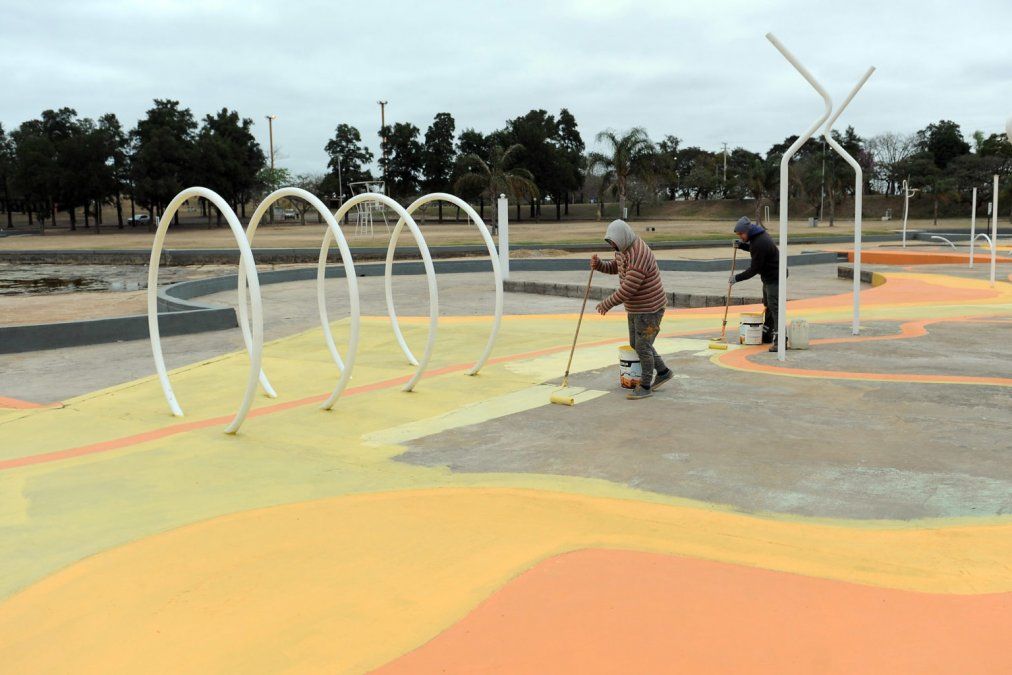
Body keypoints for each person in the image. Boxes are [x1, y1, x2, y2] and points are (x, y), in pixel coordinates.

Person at [591, 219, 673, 399]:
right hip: (636, 307)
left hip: (650, 308)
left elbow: (629, 288)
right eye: (610, 243)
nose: (612, 246)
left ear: (622, 237)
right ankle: (663, 371)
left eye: (613, 242)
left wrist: (607, 303)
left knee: (643, 346)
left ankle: (645, 386)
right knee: (637, 344)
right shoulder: (622, 249)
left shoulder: (639, 253)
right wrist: (599, 266)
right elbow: (617, 267)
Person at [730, 216, 782, 352]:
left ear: (748, 230)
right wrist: (742, 246)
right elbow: (754, 249)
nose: (741, 237)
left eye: (741, 234)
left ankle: (781, 339)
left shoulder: (760, 241)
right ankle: (768, 333)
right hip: (769, 277)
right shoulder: (757, 237)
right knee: (768, 304)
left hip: (775, 277)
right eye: (738, 235)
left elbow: (754, 269)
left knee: (775, 306)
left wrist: (737, 278)